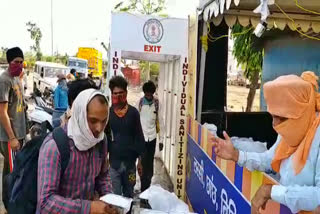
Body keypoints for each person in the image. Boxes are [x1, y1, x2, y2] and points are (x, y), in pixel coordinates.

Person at [211, 71, 320, 214]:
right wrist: (236, 155)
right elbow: (270, 159)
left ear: (300, 112)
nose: (275, 124)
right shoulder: (292, 129)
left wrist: (270, 191)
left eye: (281, 117)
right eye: (272, 116)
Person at [37, 89, 117, 214]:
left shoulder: (101, 141)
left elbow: (102, 176)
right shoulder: (54, 147)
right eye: (93, 121)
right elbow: (46, 203)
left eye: (103, 121)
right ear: (80, 115)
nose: (99, 128)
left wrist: (109, 199)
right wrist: (89, 208)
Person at [108, 76, 145, 198]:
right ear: (112, 94)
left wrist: (140, 161)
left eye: (121, 93)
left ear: (126, 93)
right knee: (115, 198)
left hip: (130, 166)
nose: (118, 96)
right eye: (115, 93)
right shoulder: (108, 113)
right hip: (114, 164)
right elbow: (104, 139)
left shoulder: (133, 113)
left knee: (129, 195)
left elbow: (139, 136)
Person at [0, 47, 26, 206]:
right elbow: (2, 112)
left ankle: (9, 201)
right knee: (13, 172)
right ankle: (11, 205)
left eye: (22, 62)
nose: (20, 65)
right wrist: (12, 138)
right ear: (9, 62)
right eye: (16, 62)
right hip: (10, 136)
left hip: (19, 133)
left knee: (11, 170)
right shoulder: (4, 80)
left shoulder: (17, 78)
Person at [137, 81, 163, 192]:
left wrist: (161, 140)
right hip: (141, 138)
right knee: (142, 164)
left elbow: (160, 122)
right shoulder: (140, 103)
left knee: (149, 166)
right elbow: (135, 122)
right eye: (146, 94)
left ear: (153, 93)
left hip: (152, 138)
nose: (148, 96)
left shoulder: (157, 104)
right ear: (144, 93)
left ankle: (147, 187)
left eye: (150, 94)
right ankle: (143, 189)